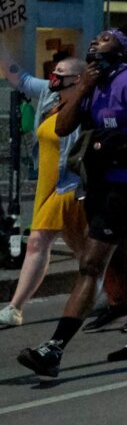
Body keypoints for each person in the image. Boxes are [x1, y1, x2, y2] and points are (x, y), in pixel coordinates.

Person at [16, 28, 127, 377]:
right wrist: (82, 88)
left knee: (91, 264)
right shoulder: (93, 82)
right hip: (99, 182)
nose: (97, 40)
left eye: (107, 38)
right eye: (96, 38)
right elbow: (63, 127)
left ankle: (53, 349)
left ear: (124, 49)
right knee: (125, 261)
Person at [0, 47, 87, 327]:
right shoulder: (51, 96)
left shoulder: (88, 105)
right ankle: (123, 293)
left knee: (39, 241)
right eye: (54, 72)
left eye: (62, 74)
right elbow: (20, 79)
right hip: (46, 184)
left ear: (79, 79)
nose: (55, 77)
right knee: (84, 252)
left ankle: (14, 307)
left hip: (71, 184)